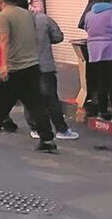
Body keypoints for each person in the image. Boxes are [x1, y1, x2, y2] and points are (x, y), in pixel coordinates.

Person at [0, 0, 57, 152]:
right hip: (31, 65)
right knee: (35, 104)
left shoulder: (3, 17)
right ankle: (47, 139)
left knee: (1, 102)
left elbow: (4, 41)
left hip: (14, 65)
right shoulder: (28, 15)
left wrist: (3, 65)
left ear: (1, 1)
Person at [26, 12, 79, 140]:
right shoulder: (43, 19)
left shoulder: (16, 21)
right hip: (45, 64)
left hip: (26, 65)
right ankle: (61, 129)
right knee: (51, 98)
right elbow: (57, 37)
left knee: (30, 98)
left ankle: (35, 128)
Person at [83, 0, 112, 122]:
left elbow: (87, 29)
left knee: (101, 82)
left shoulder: (89, 14)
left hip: (94, 52)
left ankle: (102, 112)